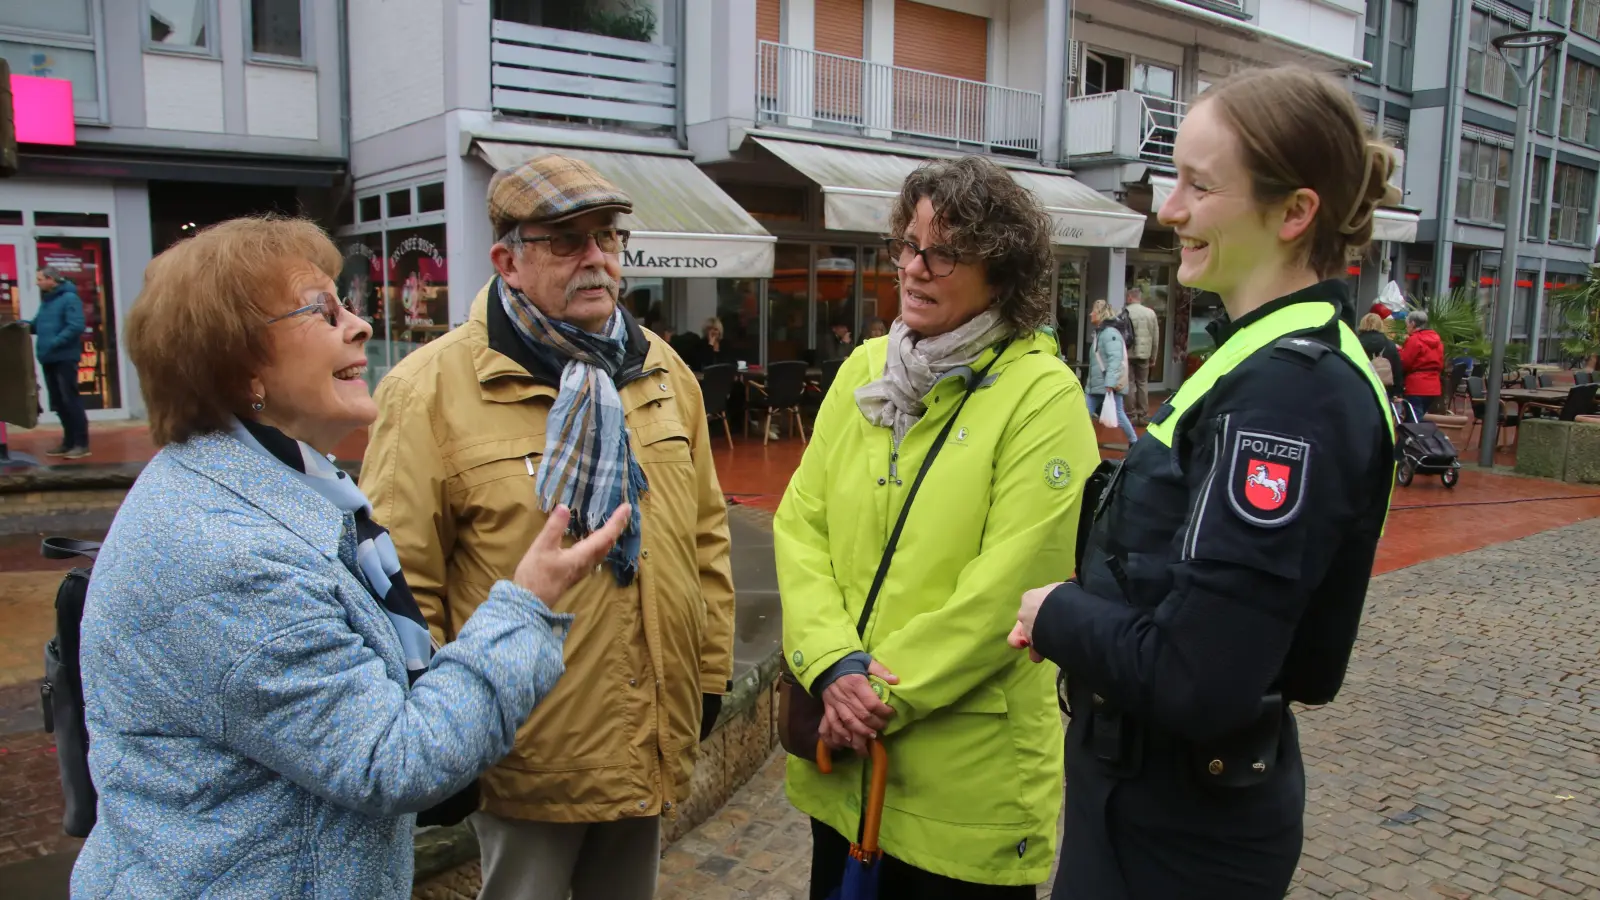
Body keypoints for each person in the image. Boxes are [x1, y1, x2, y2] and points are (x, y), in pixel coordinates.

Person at [72, 217, 629, 899]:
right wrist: (526, 605)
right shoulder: (231, 558)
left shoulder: (276, 485)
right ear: (240, 364)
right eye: (322, 311)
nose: (360, 326)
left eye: (347, 306)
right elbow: (393, 759)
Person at [1008, 66, 1397, 900]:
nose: (1170, 209)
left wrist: (1059, 614)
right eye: (1172, 179)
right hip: (1148, 802)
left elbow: (1201, 677)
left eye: (1199, 185)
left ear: (1294, 213)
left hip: (1176, 832)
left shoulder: (1291, 392)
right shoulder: (1257, 358)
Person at [362, 153, 735, 900]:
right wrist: (439, 741)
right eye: (567, 241)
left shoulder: (662, 371)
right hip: (521, 755)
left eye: (608, 236)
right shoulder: (426, 391)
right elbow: (400, 585)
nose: (596, 257)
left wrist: (707, 677)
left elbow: (705, 536)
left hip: (648, 734)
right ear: (508, 261)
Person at [776, 155, 1101, 900]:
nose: (915, 268)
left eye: (945, 252)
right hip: (843, 766)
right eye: (910, 245)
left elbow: (1009, 591)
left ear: (1002, 273)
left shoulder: (1043, 397)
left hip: (965, 793)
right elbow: (800, 526)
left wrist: (871, 698)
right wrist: (832, 663)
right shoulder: (866, 368)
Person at [29, 267, 90, 458]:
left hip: (64, 358)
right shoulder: (47, 301)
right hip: (48, 358)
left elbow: (76, 326)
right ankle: (68, 442)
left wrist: (55, 342)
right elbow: (36, 325)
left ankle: (81, 444)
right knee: (58, 402)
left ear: (51, 279)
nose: (37, 282)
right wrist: (20, 325)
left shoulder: (69, 298)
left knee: (70, 400)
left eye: (40, 279)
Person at [1086, 298, 1139, 446]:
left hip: (1106, 385)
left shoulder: (1109, 333)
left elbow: (1115, 359)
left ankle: (1134, 442)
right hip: (1098, 385)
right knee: (1084, 414)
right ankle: (1081, 443)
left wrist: (1110, 383)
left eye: (1093, 311)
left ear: (1100, 313)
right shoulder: (1102, 333)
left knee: (1118, 414)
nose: (1090, 314)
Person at [1398, 308, 1444, 422]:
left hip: (1416, 386)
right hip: (1433, 386)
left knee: (1413, 421)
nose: (1406, 327)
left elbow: (1405, 362)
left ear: (1413, 323)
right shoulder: (1437, 340)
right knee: (1418, 417)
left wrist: (1399, 352)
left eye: (1407, 324)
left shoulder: (1414, 339)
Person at [1123, 287, 1159, 425]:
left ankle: (1131, 415)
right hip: (1144, 354)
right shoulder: (1150, 313)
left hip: (1128, 353)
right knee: (1143, 383)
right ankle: (1143, 415)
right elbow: (1155, 338)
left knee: (1130, 383)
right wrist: (1153, 356)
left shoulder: (1124, 312)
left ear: (1130, 297)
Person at [1357, 312, 1404, 399]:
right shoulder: (1390, 344)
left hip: (1361, 386)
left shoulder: (1355, 342)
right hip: (1385, 389)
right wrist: (1398, 391)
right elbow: (1396, 369)